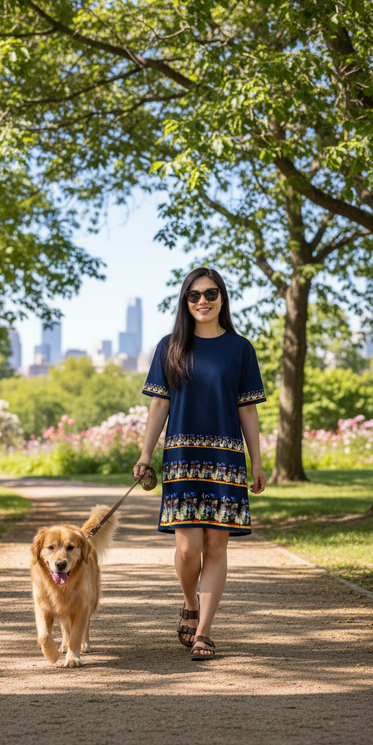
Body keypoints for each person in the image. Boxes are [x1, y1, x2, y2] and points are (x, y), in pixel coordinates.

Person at [133, 267, 266, 660]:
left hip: (226, 459)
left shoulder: (240, 349)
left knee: (215, 543)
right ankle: (189, 603)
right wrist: (145, 454)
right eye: (194, 295)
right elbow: (159, 404)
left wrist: (256, 462)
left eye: (210, 294)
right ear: (185, 301)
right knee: (189, 548)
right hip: (181, 457)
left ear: (222, 298)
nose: (202, 301)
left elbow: (248, 410)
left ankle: (205, 631)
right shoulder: (169, 346)